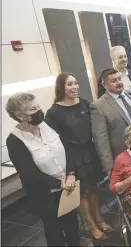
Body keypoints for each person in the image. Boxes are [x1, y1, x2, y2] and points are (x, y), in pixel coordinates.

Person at [5, 92, 80, 246]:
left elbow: (68, 149)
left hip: (67, 187)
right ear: (19, 115)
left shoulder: (47, 124)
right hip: (46, 195)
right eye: (33, 109)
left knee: (73, 227)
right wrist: (60, 183)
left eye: (38, 106)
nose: (39, 111)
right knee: (54, 232)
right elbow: (29, 175)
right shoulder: (14, 140)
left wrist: (71, 174)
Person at [45, 73, 112, 240]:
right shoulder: (54, 112)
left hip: (90, 152)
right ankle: (90, 225)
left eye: (75, 83)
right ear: (61, 87)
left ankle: (99, 218)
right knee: (82, 193)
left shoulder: (84, 103)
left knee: (94, 188)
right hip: (71, 156)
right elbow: (54, 141)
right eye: (69, 84)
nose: (74, 87)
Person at [91, 69, 131, 176]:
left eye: (119, 79)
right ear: (104, 85)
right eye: (113, 81)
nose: (119, 82)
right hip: (124, 158)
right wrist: (109, 168)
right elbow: (101, 141)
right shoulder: (99, 106)